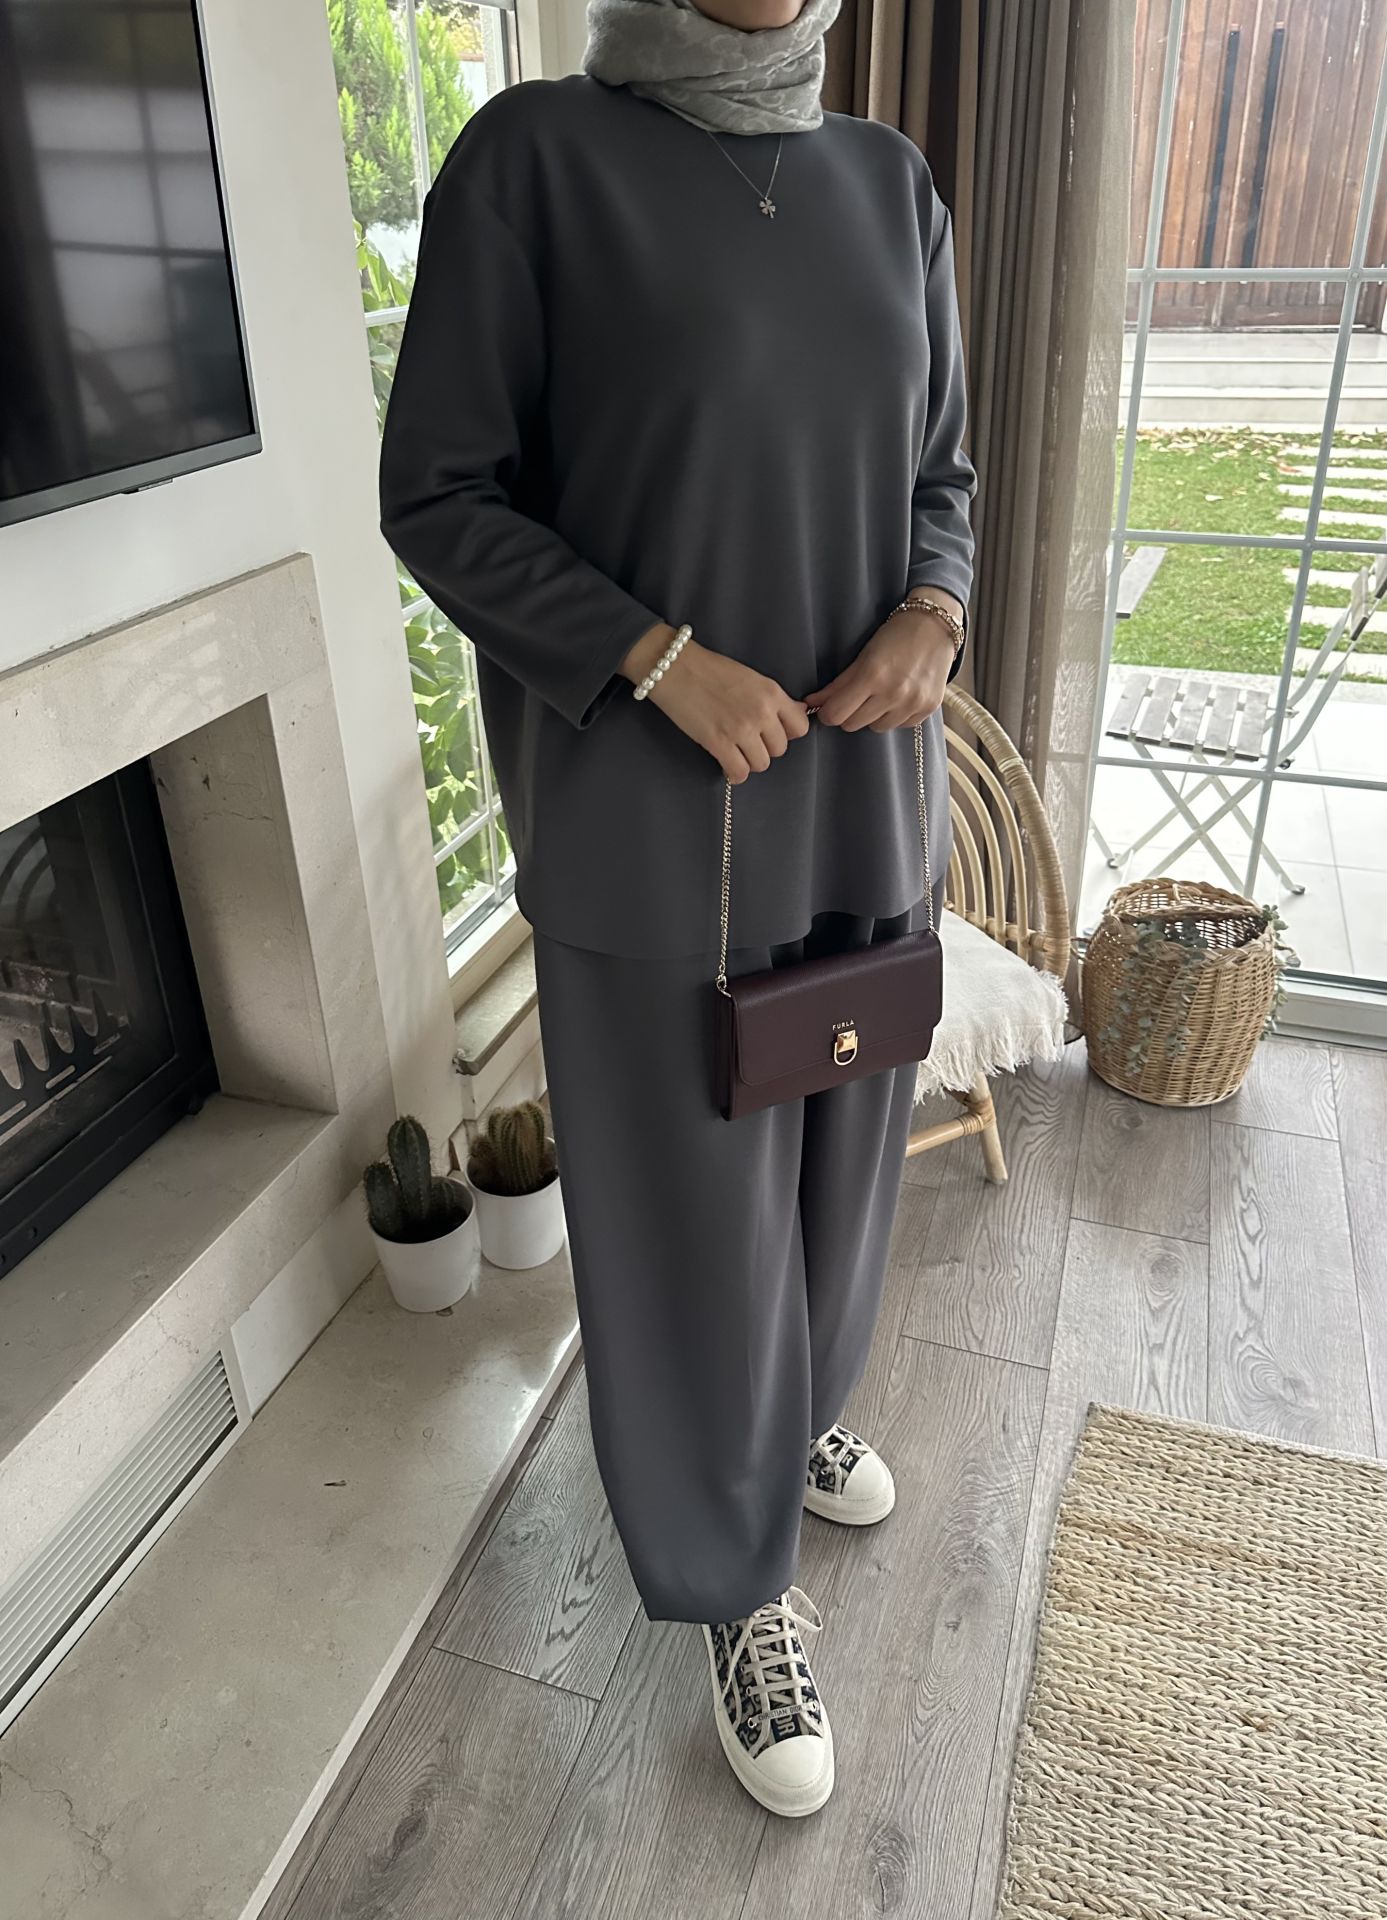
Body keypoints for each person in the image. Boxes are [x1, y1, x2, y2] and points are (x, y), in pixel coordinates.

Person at [379, 0, 975, 1821]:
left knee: (842, 1171)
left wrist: (937, 612)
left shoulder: (891, 186)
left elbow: (943, 478)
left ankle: (781, 1428)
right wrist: (651, 657)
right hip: (654, 827)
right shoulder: (534, 166)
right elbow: (438, 496)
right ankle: (734, 1584)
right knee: (692, 1213)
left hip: (862, 797)